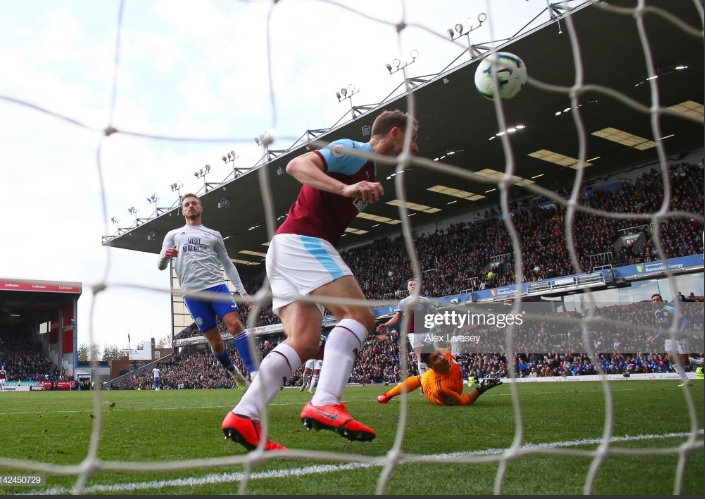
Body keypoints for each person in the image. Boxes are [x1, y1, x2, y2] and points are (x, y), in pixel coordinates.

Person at [222, 109, 419, 452]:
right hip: (302, 241)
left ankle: (244, 414)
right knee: (359, 316)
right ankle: (325, 401)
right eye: (413, 138)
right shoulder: (353, 150)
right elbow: (296, 166)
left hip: (285, 249)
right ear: (395, 133)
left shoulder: (369, 170)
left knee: (306, 341)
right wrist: (346, 188)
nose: (415, 148)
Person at [159, 192, 257, 391]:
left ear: (201, 208)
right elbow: (161, 265)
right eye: (187, 204)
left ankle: (255, 373)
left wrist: (243, 292)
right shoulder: (173, 235)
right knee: (217, 343)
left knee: (235, 323)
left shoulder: (213, 234)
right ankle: (234, 373)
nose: (191, 206)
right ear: (182, 211)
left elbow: (228, 265)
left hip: (216, 287)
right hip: (193, 294)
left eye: (194, 203)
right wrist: (165, 256)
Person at [377, 348, 502, 406]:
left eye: (439, 354)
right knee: (421, 379)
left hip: (439, 375)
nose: (442, 358)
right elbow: (463, 401)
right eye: (436, 358)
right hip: (432, 389)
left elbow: (449, 354)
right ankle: (388, 395)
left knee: (421, 377)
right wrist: (481, 388)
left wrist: (463, 357)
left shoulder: (446, 355)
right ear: (430, 365)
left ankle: (387, 395)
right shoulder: (440, 389)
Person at [375, 278, 436, 376]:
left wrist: (446, 318)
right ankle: (425, 384)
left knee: (429, 357)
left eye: (414, 284)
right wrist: (386, 325)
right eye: (410, 285)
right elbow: (396, 318)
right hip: (413, 332)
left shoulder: (425, 300)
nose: (413, 286)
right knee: (420, 356)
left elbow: (436, 313)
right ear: (408, 288)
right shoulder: (404, 302)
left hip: (426, 331)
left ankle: (429, 380)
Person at [648, 294, 691, 387]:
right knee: (671, 358)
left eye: (658, 299)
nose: (656, 301)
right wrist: (657, 336)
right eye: (654, 300)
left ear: (662, 300)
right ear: (652, 302)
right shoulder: (656, 313)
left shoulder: (671, 309)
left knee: (685, 362)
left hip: (680, 337)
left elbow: (685, 321)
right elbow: (662, 327)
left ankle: (700, 362)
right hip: (669, 338)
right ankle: (686, 380)